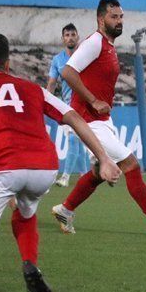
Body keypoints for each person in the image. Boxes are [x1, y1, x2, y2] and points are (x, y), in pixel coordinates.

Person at [0, 34, 121, 292]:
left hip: (3, 167)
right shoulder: (33, 89)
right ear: (8, 63)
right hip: (44, 167)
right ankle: (30, 262)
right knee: (25, 212)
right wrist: (103, 159)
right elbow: (75, 118)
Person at [50, 0, 146, 236]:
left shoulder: (108, 45)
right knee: (130, 164)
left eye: (121, 16)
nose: (119, 21)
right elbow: (68, 71)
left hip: (100, 120)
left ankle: (66, 209)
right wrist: (92, 101)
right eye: (114, 17)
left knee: (98, 172)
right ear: (101, 19)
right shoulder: (94, 42)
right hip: (87, 119)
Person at [47, 23, 88, 187]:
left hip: (85, 106)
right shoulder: (58, 60)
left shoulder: (85, 56)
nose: (70, 38)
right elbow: (51, 83)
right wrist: (46, 101)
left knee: (73, 139)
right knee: (77, 142)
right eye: (67, 35)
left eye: (73, 34)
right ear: (63, 38)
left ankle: (65, 177)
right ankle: (85, 175)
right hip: (67, 107)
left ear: (77, 36)